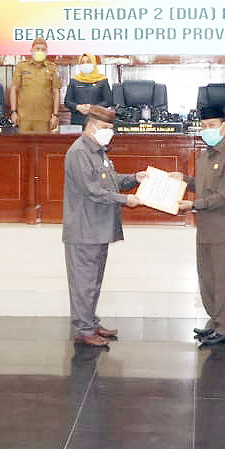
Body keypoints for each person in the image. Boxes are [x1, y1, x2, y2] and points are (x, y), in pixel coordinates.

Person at [62, 105, 145, 347]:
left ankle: (90, 322)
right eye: (104, 127)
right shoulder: (79, 152)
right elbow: (92, 190)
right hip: (84, 229)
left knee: (93, 282)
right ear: (90, 126)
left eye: (111, 128)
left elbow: (109, 180)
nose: (109, 132)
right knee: (83, 283)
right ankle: (83, 329)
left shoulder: (98, 151)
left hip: (98, 228)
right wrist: (125, 200)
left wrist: (134, 178)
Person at [178, 104, 225, 347]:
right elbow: (202, 186)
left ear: (224, 126)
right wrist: (183, 180)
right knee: (207, 278)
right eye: (203, 126)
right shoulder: (206, 154)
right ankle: (216, 321)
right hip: (206, 226)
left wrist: (192, 205)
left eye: (212, 125)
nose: (207, 129)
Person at [10, 36, 60, 133]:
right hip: (23, 117)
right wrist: (13, 111)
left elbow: (56, 92)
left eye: (43, 49)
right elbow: (14, 89)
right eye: (37, 49)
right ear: (31, 50)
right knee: (23, 143)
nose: (40, 51)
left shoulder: (52, 68)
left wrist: (55, 115)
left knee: (43, 143)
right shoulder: (22, 66)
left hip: (44, 118)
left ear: (46, 52)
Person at [63, 53, 113, 128]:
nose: (85, 64)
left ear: (94, 63)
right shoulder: (74, 80)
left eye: (88, 62)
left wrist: (92, 108)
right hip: (77, 120)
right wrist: (78, 107)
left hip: (97, 120)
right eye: (83, 62)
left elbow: (108, 101)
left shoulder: (102, 80)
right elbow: (67, 101)